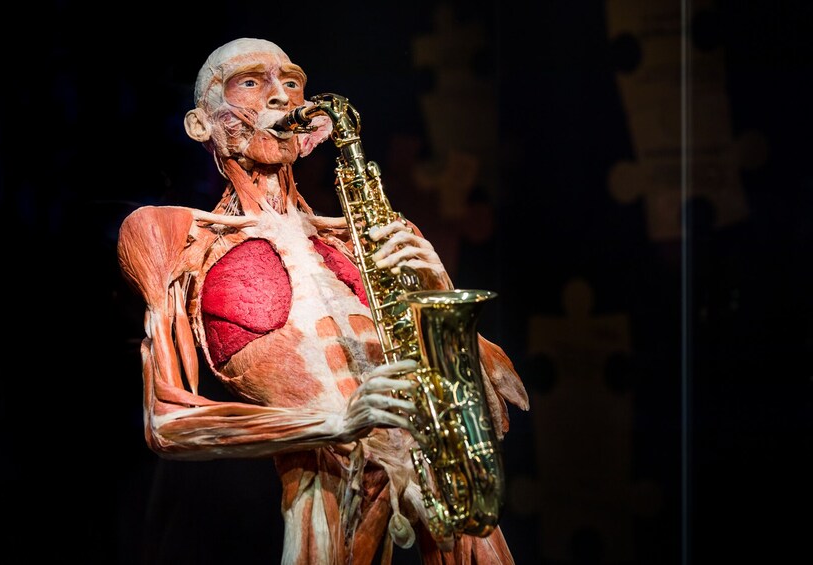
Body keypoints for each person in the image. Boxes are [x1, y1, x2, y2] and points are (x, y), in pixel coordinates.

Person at [117, 37, 529, 564]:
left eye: (291, 83)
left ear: (313, 131)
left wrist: (436, 294)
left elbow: (491, 413)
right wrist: (332, 423)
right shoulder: (169, 230)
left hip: (438, 470)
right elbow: (166, 421)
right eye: (251, 82)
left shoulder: (373, 235)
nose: (280, 97)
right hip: (323, 480)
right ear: (201, 124)